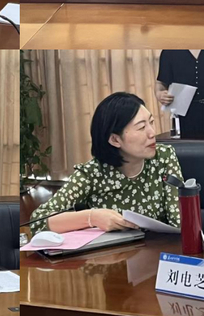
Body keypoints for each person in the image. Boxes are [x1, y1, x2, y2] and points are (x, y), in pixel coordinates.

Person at [28, 92, 183, 235]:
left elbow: (179, 222)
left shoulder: (163, 157)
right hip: (113, 254)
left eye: (151, 122)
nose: (152, 133)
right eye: (142, 127)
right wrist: (92, 217)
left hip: (158, 250)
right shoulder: (92, 173)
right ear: (115, 139)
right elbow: (38, 221)